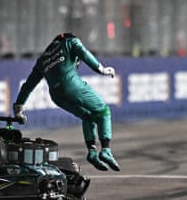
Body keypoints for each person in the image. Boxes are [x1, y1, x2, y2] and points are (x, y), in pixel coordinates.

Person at [13, 33, 120, 171]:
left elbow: (28, 85)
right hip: (72, 86)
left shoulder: (42, 59)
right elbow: (85, 55)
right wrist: (101, 69)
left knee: (87, 116)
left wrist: (18, 108)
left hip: (57, 96)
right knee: (103, 111)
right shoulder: (70, 42)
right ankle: (106, 150)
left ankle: (92, 152)